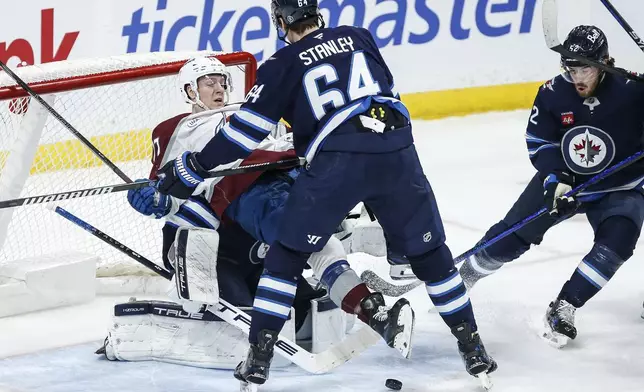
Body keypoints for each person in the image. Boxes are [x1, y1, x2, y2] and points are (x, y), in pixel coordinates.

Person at [154, 1, 496, 387]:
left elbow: (242, 133)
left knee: (286, 258)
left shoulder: (282, 64)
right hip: (398, 153)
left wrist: (193, 167)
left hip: (337, 166)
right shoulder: (359, 36)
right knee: (433, 257)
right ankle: (473, 347)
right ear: (318, 14)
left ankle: (258, 358)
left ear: (281, 23)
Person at [117, 56, 414, 367]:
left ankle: (388, 247)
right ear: (190, 91)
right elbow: (169, 193)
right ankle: (374, 310)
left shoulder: (255, 113)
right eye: (209, 82)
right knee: (312, 240)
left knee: (362, 180)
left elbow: (296, 144)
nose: (219, 88)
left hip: (295, 181)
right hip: (252, 193)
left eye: (222, 81)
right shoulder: (177, 129)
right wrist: (156, 199)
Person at [457, 25, 644, 347]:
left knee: (618, 242)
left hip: (621, 187)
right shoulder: (552, 93)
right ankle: (461, 281)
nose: (577, 77)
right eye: (570, 68)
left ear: (604, 62)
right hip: (564, 183)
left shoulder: (635, 90)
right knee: (509, 238)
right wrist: (555, 179)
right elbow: (540, 141)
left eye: (584, 67)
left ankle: (566, 305)